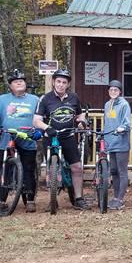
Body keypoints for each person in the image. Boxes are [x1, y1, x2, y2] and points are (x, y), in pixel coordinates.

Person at [33, 68, 90, 211]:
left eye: (64, 82)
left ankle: (78, 198)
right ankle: (52, 200)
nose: (60, 84)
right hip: (51, 137)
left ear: (68, 84)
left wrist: (81, 122)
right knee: (52, 168)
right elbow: (36, 120)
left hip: (68, 136)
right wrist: (47, 128)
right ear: (53, 82)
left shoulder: (73, 98)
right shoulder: (45, 99)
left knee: (76, 167)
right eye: (58, 81)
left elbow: (80, 114)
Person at [0, 69, 41, 213]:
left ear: (26, 84)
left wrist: (39, 130)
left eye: (21, 81)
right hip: (7, 137)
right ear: (10, 86)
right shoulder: (2, 99)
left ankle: (30, 200)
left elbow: (41, 118)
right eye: (15, 81)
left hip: (28, 137)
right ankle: (2, 201)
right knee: (5, 169)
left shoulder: (34, 100)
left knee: (28, 169)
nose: (19, 83)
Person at [102, 80, 131, 210]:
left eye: (116, 90)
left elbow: (127, 122)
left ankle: (120, 199)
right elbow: (107, 122)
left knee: (122, 171)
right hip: (110, 142)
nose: (113, 92)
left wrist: (122, 128)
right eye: (111, 90)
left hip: (121, 142)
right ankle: (115, 197)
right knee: (113, 171)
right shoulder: (107, 104)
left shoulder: (124, 104)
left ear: (120, 92)